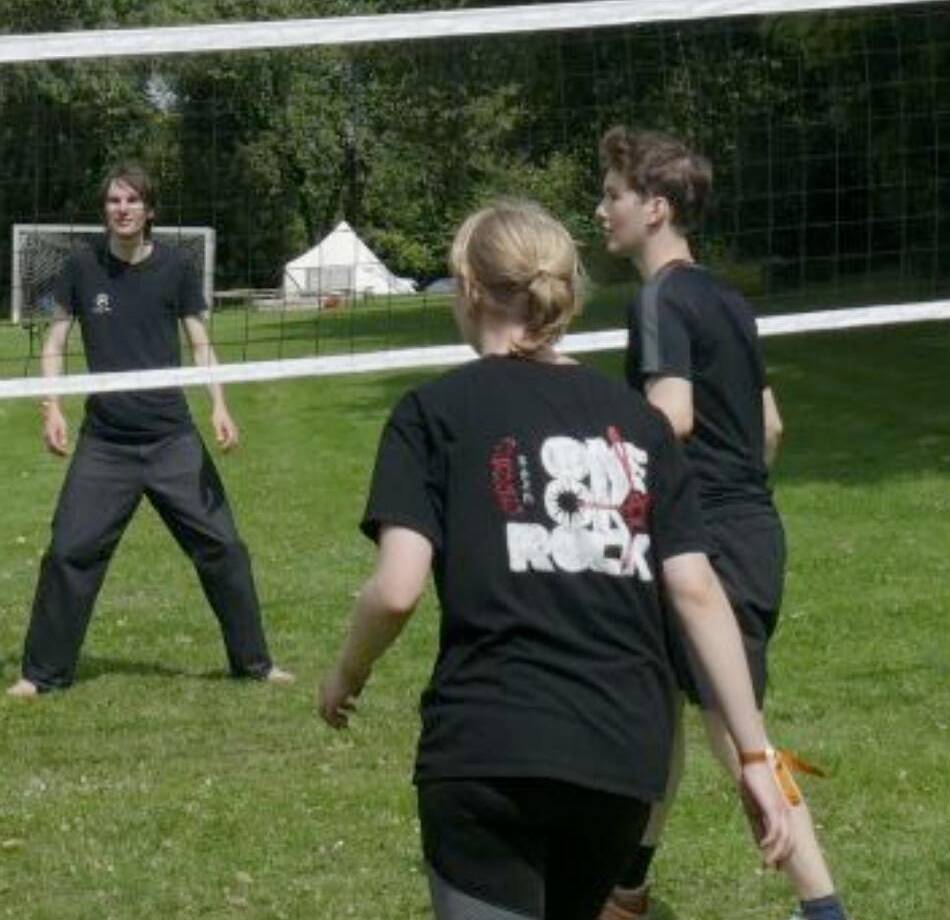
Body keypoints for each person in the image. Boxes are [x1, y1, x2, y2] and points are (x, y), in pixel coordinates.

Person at [317, 201, 795, 920]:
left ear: (469, 289)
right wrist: (754, 758)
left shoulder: (432, 413)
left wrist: (345, 675)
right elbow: (696, 592)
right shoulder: (642, 423)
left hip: (489, 745)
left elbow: (396, 589)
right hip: (621, 758)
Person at [592, 127, 846, 920]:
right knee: (660, 710)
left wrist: (602, 464)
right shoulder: (728, 300)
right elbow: (770, 427)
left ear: (655, 207)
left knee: (744, 750)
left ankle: (825, 909)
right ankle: (625, 892)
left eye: (612, 196)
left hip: (705, 545)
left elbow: (671, 412)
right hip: (752, 531)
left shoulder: (659, 297)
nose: (600, 210)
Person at [7, 163, 286, 697]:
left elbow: (201, 343)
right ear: (105, 211)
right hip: (106, 443)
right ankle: (40, 675)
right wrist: (52, 408)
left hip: (171, 439)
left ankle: (255, 665)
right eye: (114, 201)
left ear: (149, 209)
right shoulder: (80, 266)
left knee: (224, 548)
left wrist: (220, 406)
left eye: (132, 200)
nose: (123, 209)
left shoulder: (176, 267)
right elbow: (54, 343)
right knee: (69, 551)